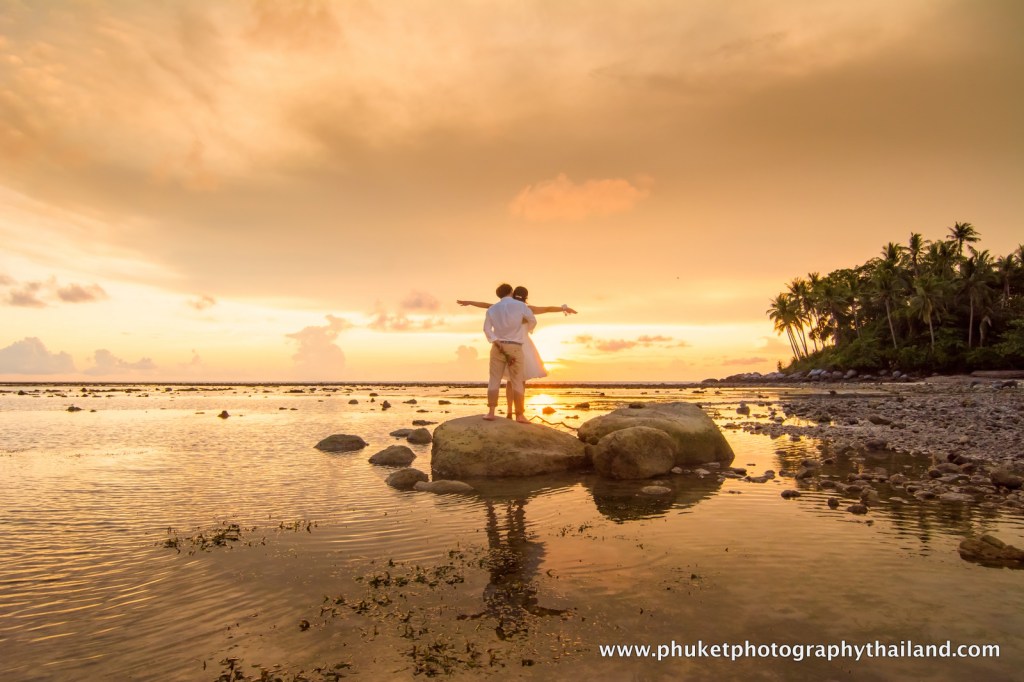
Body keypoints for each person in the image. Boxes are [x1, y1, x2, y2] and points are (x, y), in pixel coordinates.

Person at [458, 291, 577, 419]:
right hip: (523, 346)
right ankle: (519, 413)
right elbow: (547, 309)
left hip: (508, 345)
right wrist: (563, 308)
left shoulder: (505, 308)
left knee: (510, 381)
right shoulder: (526, 309)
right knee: (520, 381)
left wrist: (470, 302)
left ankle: (509, 411)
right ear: (525, 297)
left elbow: (487, 305)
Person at [482, 283, 536, 423]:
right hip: (515, 346)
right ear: (511, 292)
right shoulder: (521, 306)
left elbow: (486, 329)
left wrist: (495, 340)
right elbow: (532, 320)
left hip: (497, 347)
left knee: (494, 379)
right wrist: (526, 330)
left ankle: (491, 412)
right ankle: (520, 415)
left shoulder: (492, 309)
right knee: (517, 381)